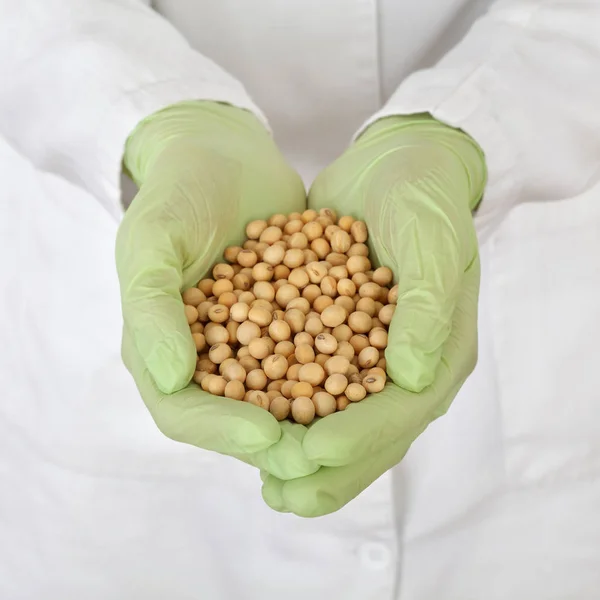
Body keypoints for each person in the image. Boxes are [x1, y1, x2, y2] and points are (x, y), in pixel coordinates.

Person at [1, 0, 600, 598]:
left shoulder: (319, 307)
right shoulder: (273, 309)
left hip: (522, 259)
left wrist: (463, 125)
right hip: (121, 209)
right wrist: (161, 114)